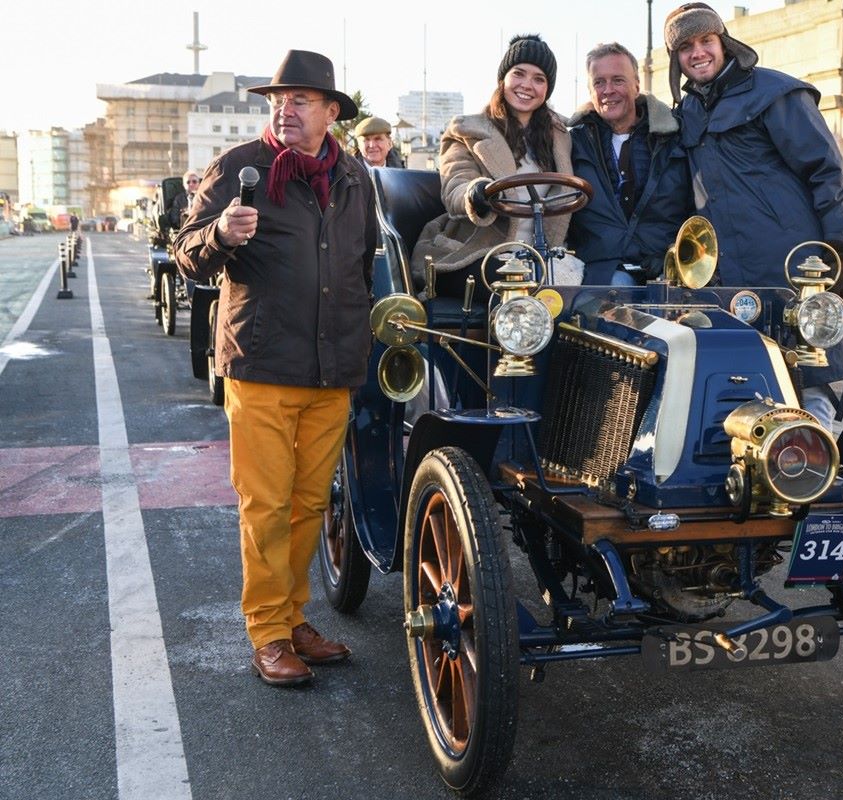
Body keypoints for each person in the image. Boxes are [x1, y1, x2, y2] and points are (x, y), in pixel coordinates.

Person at [174, 50, 377, 686]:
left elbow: (362, 263)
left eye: (300, 101)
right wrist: (221, 238)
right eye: (277, 101)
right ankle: (267, 632)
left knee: (309, 504)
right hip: (261, 365)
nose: (285, 110)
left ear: (331, 113)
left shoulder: (353, 178)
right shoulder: (239, 167)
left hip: (331, 368)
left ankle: (293, 619)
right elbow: (185, 254)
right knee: (264, 505)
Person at [664, 2, 843, 430]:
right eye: (686, 47)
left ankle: (811, 476)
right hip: (731, 282)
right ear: (676, 59)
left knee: (810, 386)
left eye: (706, 41)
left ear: (724, 42)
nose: (698, 52)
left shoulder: (774, 92)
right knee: (745, 391)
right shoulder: (687, 116)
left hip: (794, 269)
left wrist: (841, 250)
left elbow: (827, 171)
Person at [413, 34, 582, 295]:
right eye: (519, 73)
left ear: (547, 90)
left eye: (539, 79)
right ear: (503, 78)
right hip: (477, 252)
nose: (527, 85)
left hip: (544, 256)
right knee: (521, 288)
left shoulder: (560, 135)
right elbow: (456, 184)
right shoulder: (467, 131)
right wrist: (476, 193)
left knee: (578, 294)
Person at [567, 41, 693, 285]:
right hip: (601, 272)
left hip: (669, 272)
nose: (608, 90)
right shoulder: (572, 142)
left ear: (637, 86)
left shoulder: (676, 136)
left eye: (618, 80)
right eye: (599, 82)